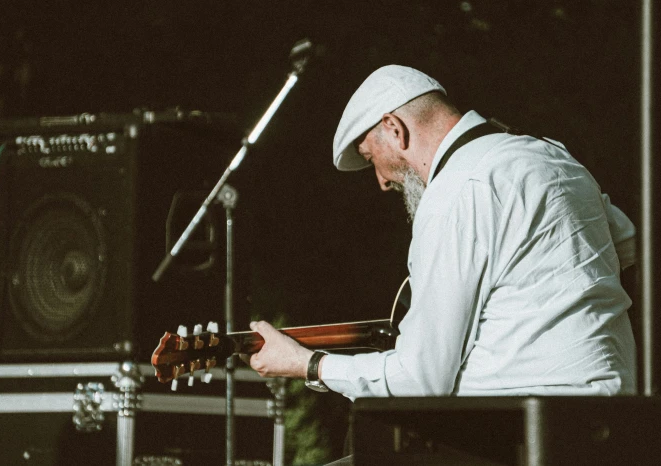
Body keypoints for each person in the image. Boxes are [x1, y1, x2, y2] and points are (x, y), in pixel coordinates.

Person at [247, 65, 637, 400]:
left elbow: (421, 379)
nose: (382, 181)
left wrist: (308, 364)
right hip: (610, 409)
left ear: (394, 129)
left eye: (371, 159)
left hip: (515, 430)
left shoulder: (455, 191)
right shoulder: (550, 154)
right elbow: (627, 245)